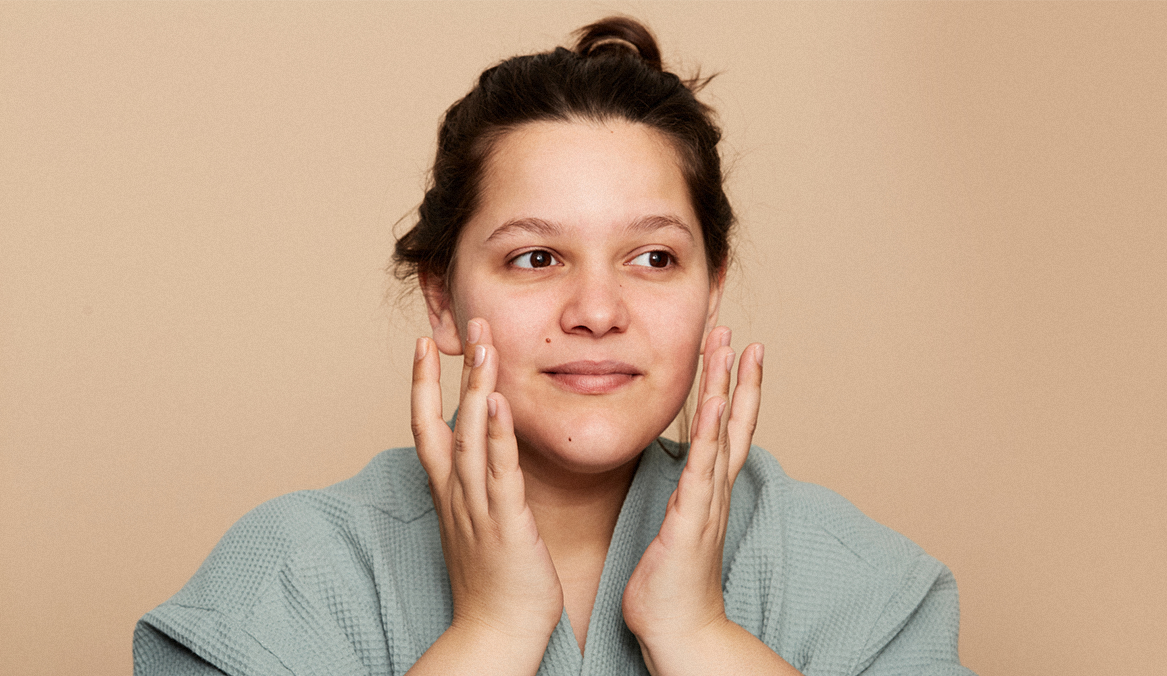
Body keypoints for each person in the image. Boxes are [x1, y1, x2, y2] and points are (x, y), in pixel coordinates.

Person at [134, 17, 975, 676]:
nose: (598, 310)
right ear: (440, 297)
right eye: (536, 257)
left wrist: (701, 637)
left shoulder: (858, 583)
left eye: (653, 258)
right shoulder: (288, 577)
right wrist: (491, 635)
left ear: (712, 286)